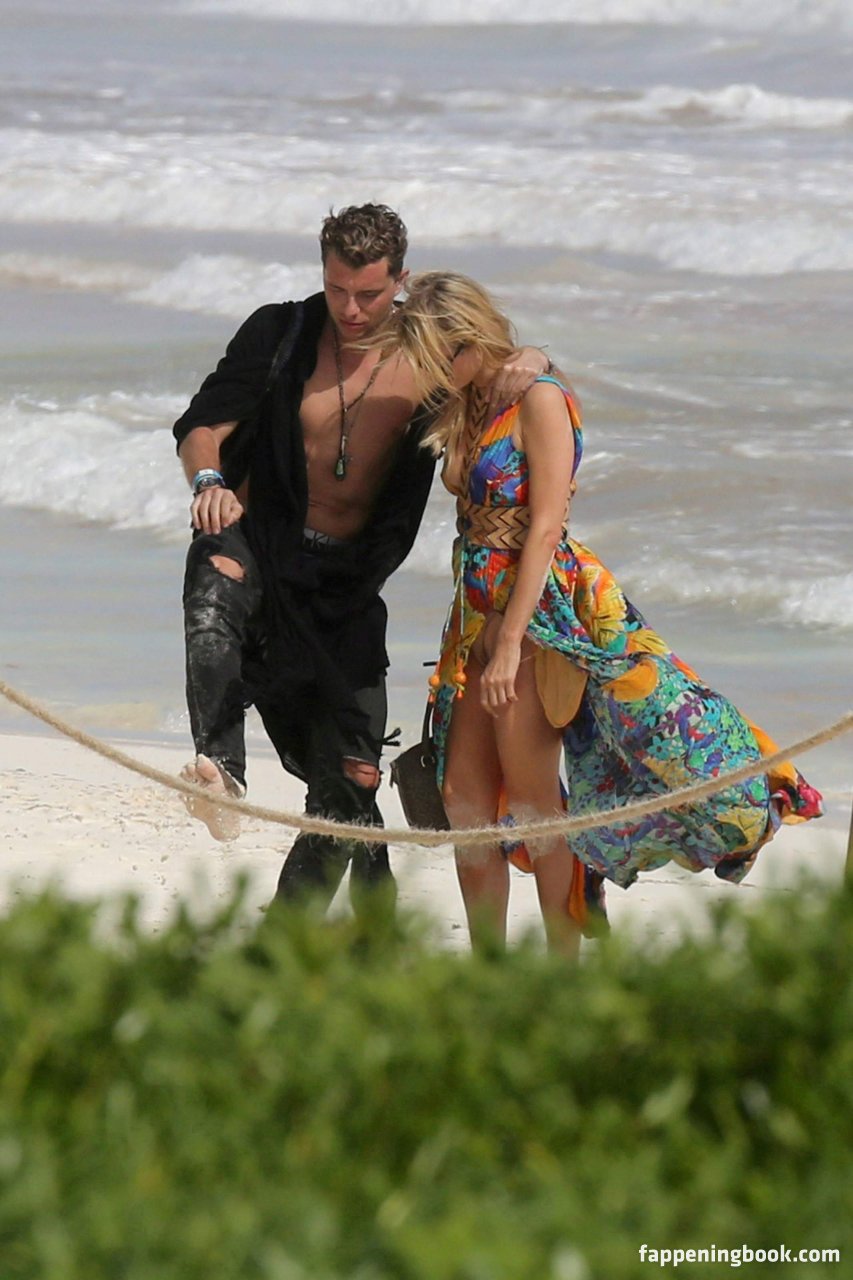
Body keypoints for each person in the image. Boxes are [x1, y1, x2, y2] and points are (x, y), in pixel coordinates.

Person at [381, 271, 823, 954]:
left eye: (440, 357)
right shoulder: (469, 398)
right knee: (465, 800)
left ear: (470, 339)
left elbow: (543, 527)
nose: (432, 374)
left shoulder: (539, 399)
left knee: (534, 805)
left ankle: (563, 965)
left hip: (536, 614)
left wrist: (510, 640)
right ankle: (489, 970)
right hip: (471, 611)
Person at [173, 205, 551, 915]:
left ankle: (289, 945)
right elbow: (202, 425)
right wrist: (209, 482)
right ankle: (220, 769)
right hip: (259, 546)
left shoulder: (432, 355)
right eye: (337, 289)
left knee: (351, 783)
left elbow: (501, 368)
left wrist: (535, 359)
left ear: (401, 281)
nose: (349, 310)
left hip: (343, 588)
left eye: (369, 294)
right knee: (214, 577)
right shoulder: (281, 332)